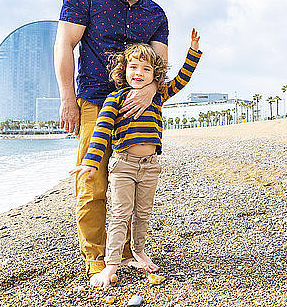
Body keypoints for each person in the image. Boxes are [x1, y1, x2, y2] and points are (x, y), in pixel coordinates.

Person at [53, 0, 168, 282]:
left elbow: (160, 68)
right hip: (92, 102)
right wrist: (67, 100)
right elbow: (64, 46)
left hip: (136, 108)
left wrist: (150, 93)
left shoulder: (157, 15)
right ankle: (97, 260)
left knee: (132, 183)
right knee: (92, 181)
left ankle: (131, 251)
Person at [70, 29, 202, 287]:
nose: (138, 73)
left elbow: (183, 78)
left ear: (155, 76)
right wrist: (89, 162)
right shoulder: (114, 99)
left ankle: (138, 252)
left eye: (146, 69)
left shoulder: (158, 95)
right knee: (120, 214)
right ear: (124, 70)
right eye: (133, 67)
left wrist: (193, 51)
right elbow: (101, 133)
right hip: (123, 166)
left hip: (150, 166)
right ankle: (110, 264)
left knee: (142, 213)